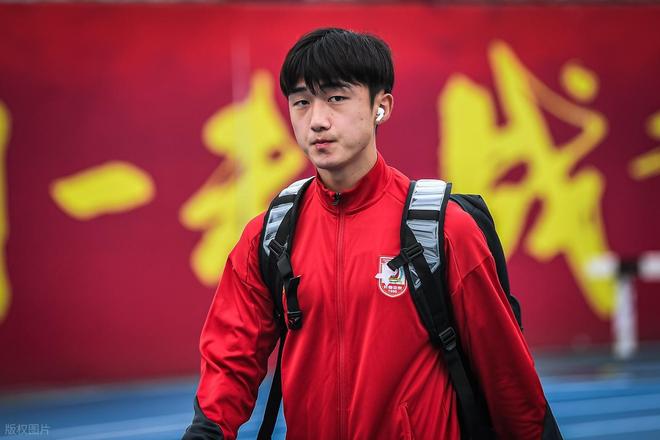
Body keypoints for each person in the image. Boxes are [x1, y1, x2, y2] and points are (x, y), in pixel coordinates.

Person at [183, 27, 550, 439]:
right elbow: (230, 361)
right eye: (302, 102)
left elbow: (506, 374)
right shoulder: (269, 236)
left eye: (336, 98)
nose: (317, 120)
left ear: (382, 107)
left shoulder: (444, 230)